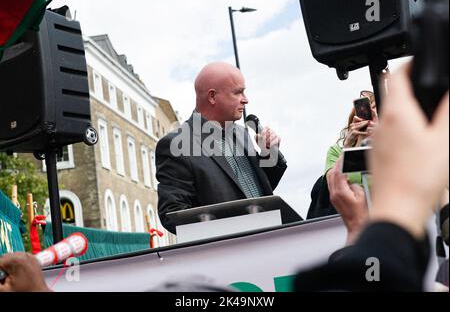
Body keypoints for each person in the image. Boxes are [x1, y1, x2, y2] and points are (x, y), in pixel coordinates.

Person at [296, 63, 449, 291]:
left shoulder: (401, 145)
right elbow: (333, 186)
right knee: (374, 277)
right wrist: (350, 148)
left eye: (378, 113)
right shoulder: (337, 152)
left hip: (407, 226)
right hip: (360, 229)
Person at [156, 62, 287, 234]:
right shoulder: (177, 144)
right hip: (228, 252)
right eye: (238, 92)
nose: (245, 99)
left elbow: (257, 191)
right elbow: (172, 214)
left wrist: (268, 154)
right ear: (212, 97)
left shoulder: (242, 133)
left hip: (271, 240)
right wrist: (232, 230)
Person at [307, 91, 378, 219]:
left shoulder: (393, 150)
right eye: (371, 112)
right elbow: (332, 186)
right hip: (347, 222)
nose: (373, 118)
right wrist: (350, 144)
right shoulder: (337, 152)